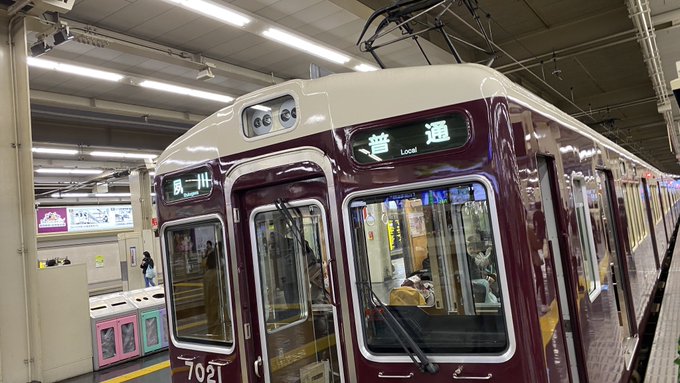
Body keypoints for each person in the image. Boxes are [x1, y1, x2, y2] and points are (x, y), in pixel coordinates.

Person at [466, 236, 498, 303]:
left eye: (474, 248)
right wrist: (488, 278)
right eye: (470, 248)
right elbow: (482, 264)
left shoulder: (478, 255)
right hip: (477, 279)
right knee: (485, 283)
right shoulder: (471, 258)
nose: (472, 250)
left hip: (482, 275)